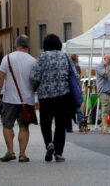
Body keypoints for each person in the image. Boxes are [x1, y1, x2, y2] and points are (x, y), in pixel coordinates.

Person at [0, 35, 36, 163]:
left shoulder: (7, 58)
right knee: (24, 127)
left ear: (15, 44)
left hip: (10, 99)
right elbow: (36, 81)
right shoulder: (33, 61)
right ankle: (22, 154)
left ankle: (10, 151)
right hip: (27, 100)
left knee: (7, 125)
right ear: (28, 45)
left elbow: (0, 78)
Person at [30, 34, 73, 163]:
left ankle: (49, 143)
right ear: (59, 44)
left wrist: (35, 87)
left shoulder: (42, 57)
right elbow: (74, 74)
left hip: (45, 97)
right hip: (63, 95)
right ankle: (58, 153)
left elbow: (34, 76)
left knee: (45, 122)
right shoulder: (64, 56)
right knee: (60, 124)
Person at [95, 54, 110, 134]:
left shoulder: (108, 67)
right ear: (105, 59)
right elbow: (106, 75)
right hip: (104, 92)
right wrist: (106, 66)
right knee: (105, 111)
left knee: (108, 111)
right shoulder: (100, 66)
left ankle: (104, 126)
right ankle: (105, 129)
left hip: (109, 92)